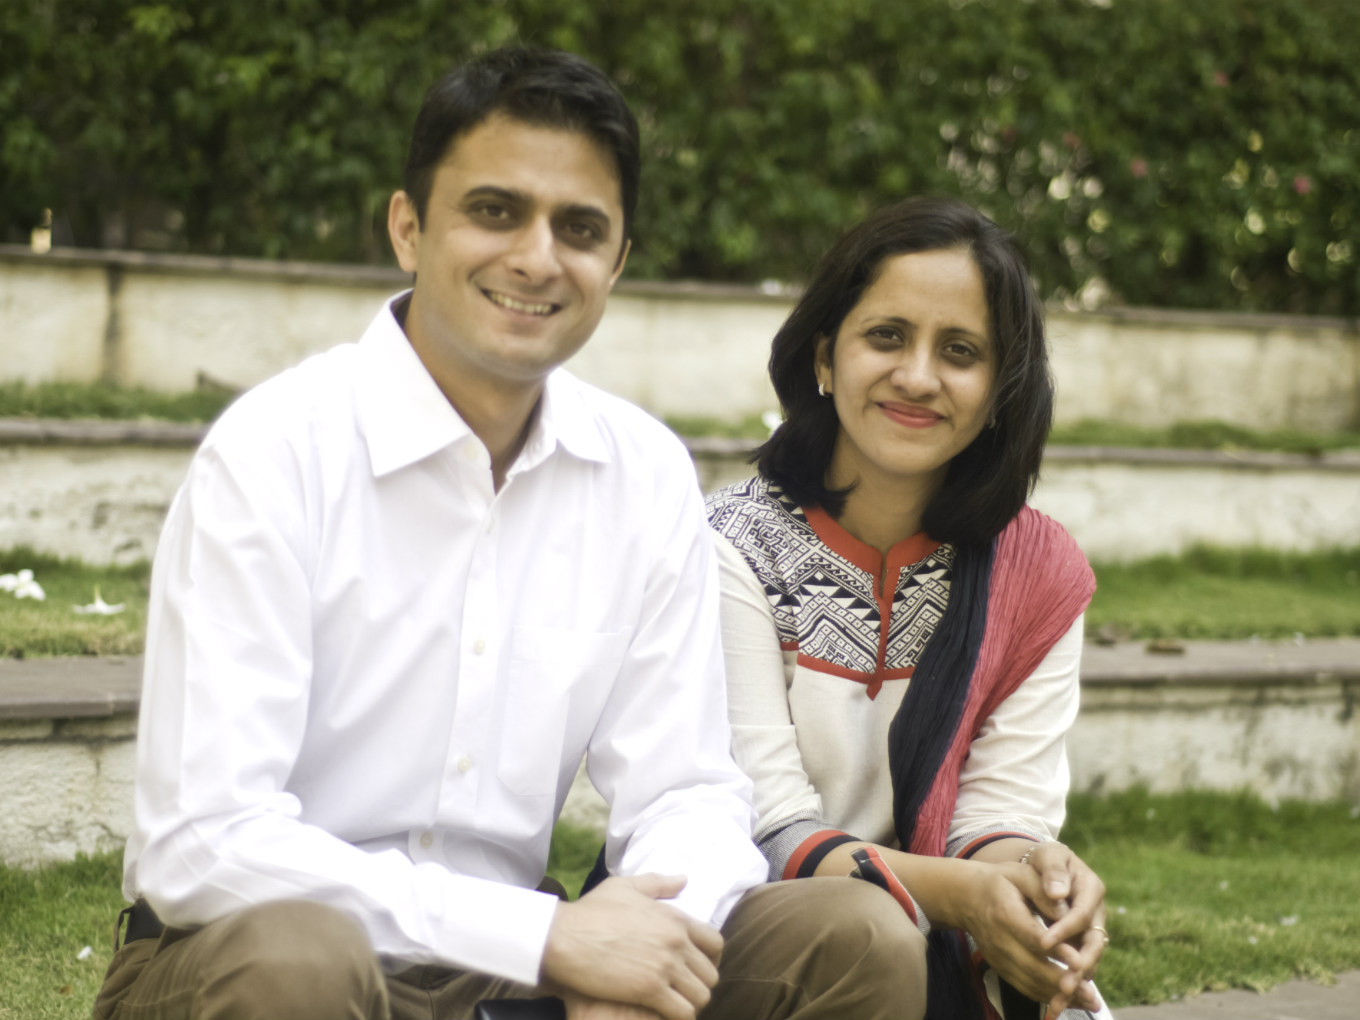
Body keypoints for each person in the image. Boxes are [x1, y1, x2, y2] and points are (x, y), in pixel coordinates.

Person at [93, 48, 924, 1020]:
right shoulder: (276, 452)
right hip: (251, 958)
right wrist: (543, 937)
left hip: (515, 975)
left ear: (617, 260)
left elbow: (688, 794)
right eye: (495, 211)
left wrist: (649, 952)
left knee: (854, 939)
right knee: (302, 960)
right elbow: (203, 842)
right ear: (408, 228)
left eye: (580, 228)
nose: (537, 258)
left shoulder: (641, 473)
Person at [706, 197, 1112, 1020]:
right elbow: (765, 829)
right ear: (826, 357)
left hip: (927, 939)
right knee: (872, 933)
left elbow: (997, 814)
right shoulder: (730, 547)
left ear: (1000, 390)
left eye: (960, 351)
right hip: (736, 931)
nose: (919, 377)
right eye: (887, 336)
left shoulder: (1035, 573)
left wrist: (1035, 874)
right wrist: (962, 894)